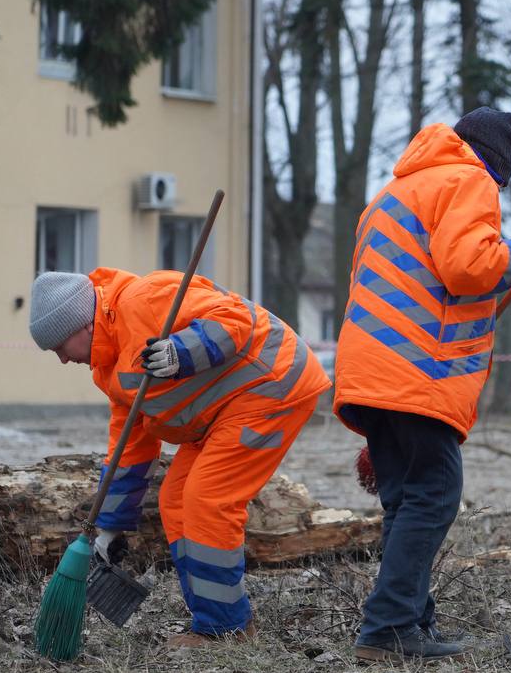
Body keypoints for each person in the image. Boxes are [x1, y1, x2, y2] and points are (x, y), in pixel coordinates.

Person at [333, 106, 511, 663]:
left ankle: (409, 622)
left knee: (404, 500)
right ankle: (389, 628)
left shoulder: (397, 193)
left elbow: (439, 282)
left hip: (370, 369)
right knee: (434, 495)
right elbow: (468, 268)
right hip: (416, 368)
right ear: (497, 166)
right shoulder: (468, 178)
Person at [28, 267, 331, 646]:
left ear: (80, 326)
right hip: (220, 409)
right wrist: (108, 528)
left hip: (272, 382)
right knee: (175, 499)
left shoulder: (144, 299)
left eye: (59, 347)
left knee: (207, 499)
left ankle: (225, 630)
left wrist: (181, 352)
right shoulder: (109, 369)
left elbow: (236, 318)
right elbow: (129, 446)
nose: (61, 360)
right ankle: (213, 618)